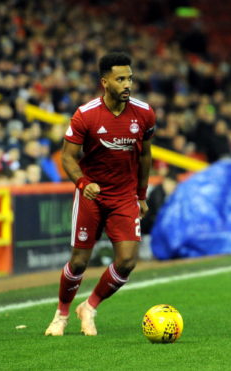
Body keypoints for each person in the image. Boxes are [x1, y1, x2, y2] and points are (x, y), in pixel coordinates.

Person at [45, 52, 156, 336]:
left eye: (130, 78)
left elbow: (145, 157)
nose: (127, 84)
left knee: (128, 261)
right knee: (80, 261)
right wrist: (83, 184)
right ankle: (62, 313)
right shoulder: (86, 114)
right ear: (104, 82)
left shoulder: (144, 113)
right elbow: (67, 157)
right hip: (91, 195)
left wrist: (141, 195)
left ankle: (90, 306)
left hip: (124, 196)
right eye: (120, 79)